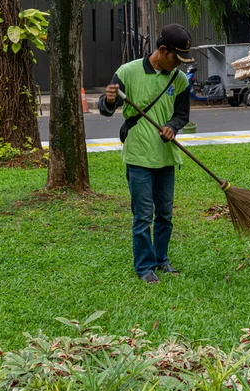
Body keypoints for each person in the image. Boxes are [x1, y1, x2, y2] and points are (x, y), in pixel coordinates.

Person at [98, 24, 193, 284]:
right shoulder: (127, 72)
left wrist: (172, 127)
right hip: (138, 156)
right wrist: (107, 100)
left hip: (166, 157)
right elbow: (106, 109)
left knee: (165, 214)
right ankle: (144, 267)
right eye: (177, 58)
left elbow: (182, 115)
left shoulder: (180, 80)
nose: (179, 65)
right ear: (163, 50)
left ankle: (161, 259)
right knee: (142, 215)